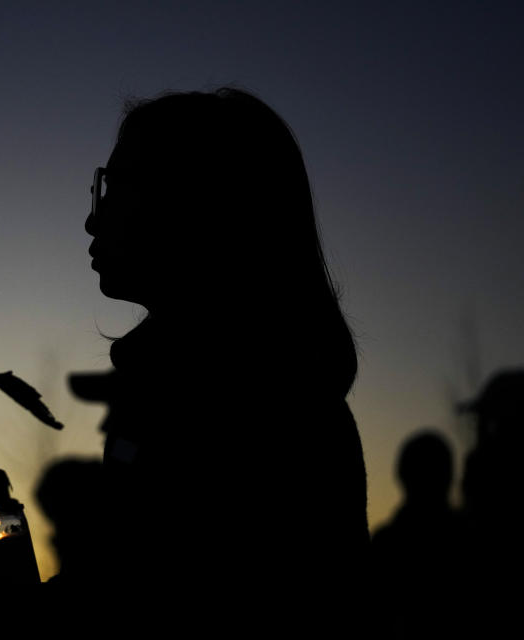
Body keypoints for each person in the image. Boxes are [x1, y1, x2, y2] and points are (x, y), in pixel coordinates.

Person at [80, 89, 369, 624]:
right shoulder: (245, 389)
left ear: (195, 204)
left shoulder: (255, 411)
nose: (93, 222)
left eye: (116, 188)